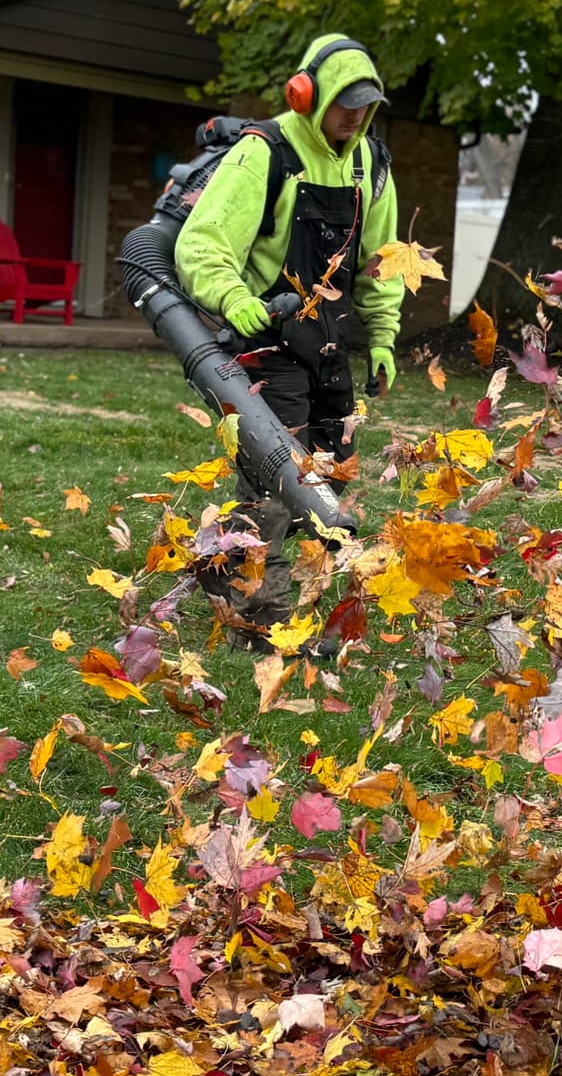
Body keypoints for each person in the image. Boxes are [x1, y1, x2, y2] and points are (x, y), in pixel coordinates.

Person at [173, 33, 404, 650]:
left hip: (328, 344)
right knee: (279, 479)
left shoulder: (370, 164)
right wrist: (235, 299)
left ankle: (243, 574)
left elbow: (382, 263)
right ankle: (260, 615)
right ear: (308, 95)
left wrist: (382, 335)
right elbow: (201, 244)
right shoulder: (264, 153)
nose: (354, 116)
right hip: (264, 342)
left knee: (328, 478)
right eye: (344, 103)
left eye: (365, 105)